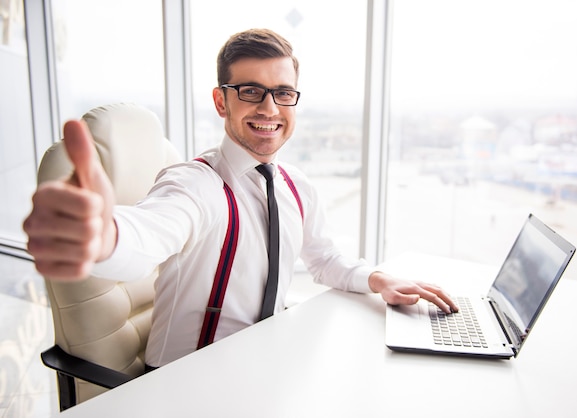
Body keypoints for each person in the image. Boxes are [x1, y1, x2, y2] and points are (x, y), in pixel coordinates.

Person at [23, 28, 458, 368]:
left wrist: (377, 279)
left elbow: (324, 258)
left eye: (283, 93)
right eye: (251, 91)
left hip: (263, 363)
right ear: (221, 101)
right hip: (186, 384)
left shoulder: (295, 186)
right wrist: (105, 237)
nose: (269, 108)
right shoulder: (196, 183)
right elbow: (151, 230)